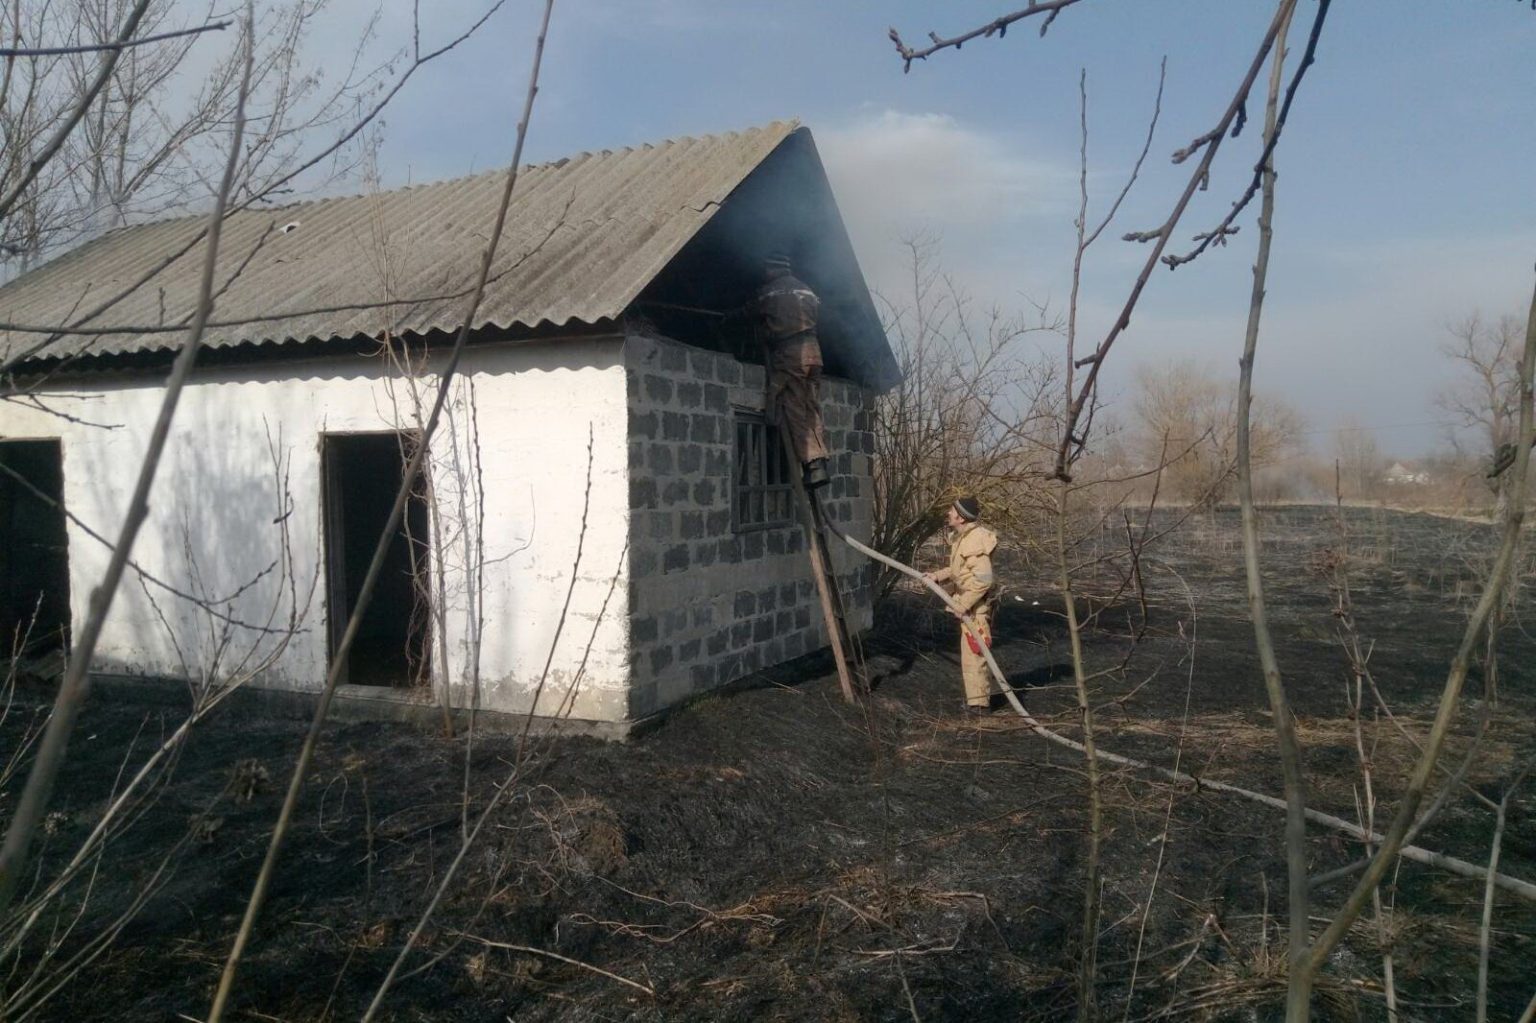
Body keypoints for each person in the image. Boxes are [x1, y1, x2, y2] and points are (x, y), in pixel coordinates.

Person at [749, 253, 831, 488]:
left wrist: (730, 317)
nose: (765, 275)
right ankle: (820, 463)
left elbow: (750, 311)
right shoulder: (808, 291)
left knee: (794, 409)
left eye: (766, 270)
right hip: (814, 354)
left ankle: (812, 467)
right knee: (811, 407)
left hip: (791, 354)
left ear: (773, 270)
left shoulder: (770, 291)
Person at [923, 496, 999, 714]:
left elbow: (983, 580)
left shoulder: (974, 541)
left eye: (951, 510)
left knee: (975, 655)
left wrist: (963, 604)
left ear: (961, 517)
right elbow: (960, 571)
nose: (948, 513)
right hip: (970, 607)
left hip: (976, 609)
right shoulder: (963, 538)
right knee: (970, 656)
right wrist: (937, 576)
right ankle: (976, 701)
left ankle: (979, 706)